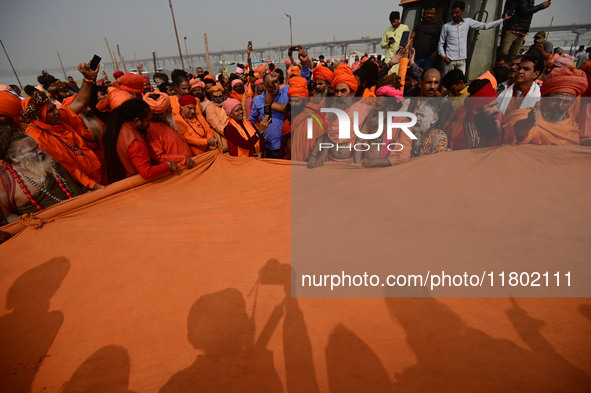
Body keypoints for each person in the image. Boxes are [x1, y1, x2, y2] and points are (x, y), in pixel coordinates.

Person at [21, 63, 104, 189]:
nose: (56, 112)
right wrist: (92, 185)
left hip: (95, 174)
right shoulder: (36, 138)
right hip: (80, 187)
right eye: (50, 111)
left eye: (54, 107)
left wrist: (88, 79)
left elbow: (80, 101)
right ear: (38, 117)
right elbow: (65, 166)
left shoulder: (59, 118)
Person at [0, 130, 89, 222]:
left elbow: (78, 194)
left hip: (79, 215)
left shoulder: (49, 163)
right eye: (33, 150)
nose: (40, 151)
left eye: (37, 146)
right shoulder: (5, 181)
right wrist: (32, 223)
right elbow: (8, 216)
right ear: (14, 157)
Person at [503, 66, 588, 145]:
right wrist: (528, 123)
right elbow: (514, 130)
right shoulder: (524, 115)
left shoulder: (570, 123)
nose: (560, 106)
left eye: (566, 102)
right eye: (556, 100)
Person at [103, 98, 178, 183]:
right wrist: (168, 165)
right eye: (148, 120)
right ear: (137, 120)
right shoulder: (135, 143)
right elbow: (147, 172)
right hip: (136, 183)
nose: (149, 124)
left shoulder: (122, 127)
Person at [438, 1, 513, 75]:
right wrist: (444, 57)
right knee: (446, 83)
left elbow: (485, 26)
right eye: (453, 13)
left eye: (457, 12)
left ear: (463, 11)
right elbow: (440, 44)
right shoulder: (446, 26)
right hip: (450, 60)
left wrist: (502, 20)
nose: (454, 15)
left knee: (461, 82)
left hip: (462, 60)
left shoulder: (467, 22)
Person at [445, 79, 503, 150]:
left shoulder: (496, 126)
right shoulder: (456, 128)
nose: (496, 110)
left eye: (495, 105)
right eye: (491, 106)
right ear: (476, 110)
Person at [142, 91, 195, 169]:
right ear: (163, 112)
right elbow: (158, 157)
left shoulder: (167, 122)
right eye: (169, 106)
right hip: (179, 171)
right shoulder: (151, 129)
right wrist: (182, 158)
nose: (171, 108)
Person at [248, 72, 289, 158]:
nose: (273, 86)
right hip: (270, 147)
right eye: (269, 83)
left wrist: (304, 65)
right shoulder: (258, 100)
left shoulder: (287, 92)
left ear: (279, 82)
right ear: (264, 86)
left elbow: (303, 83)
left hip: (288, 146)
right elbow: (252, 120)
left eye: (275, 82)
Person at [410, 3, 441, 71]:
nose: (429, 15)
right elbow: (411, 38)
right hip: (416, 58)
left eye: (432, 13)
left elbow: (441, 40)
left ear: (435, 14)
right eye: (428, 13)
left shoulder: (438, 25)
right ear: (425, 13)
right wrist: (410, 52)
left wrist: (436, 52)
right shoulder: (419, 24)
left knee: (427, 76)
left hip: (429, 58)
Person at [205, 86, 229, 152]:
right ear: (212, 97)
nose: (218, 99)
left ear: (223, 96)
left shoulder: (228, 104)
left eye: (220, 96)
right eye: (215, 97)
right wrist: (232, 135)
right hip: (221, 137)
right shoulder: (209, 109)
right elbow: (217, 126)